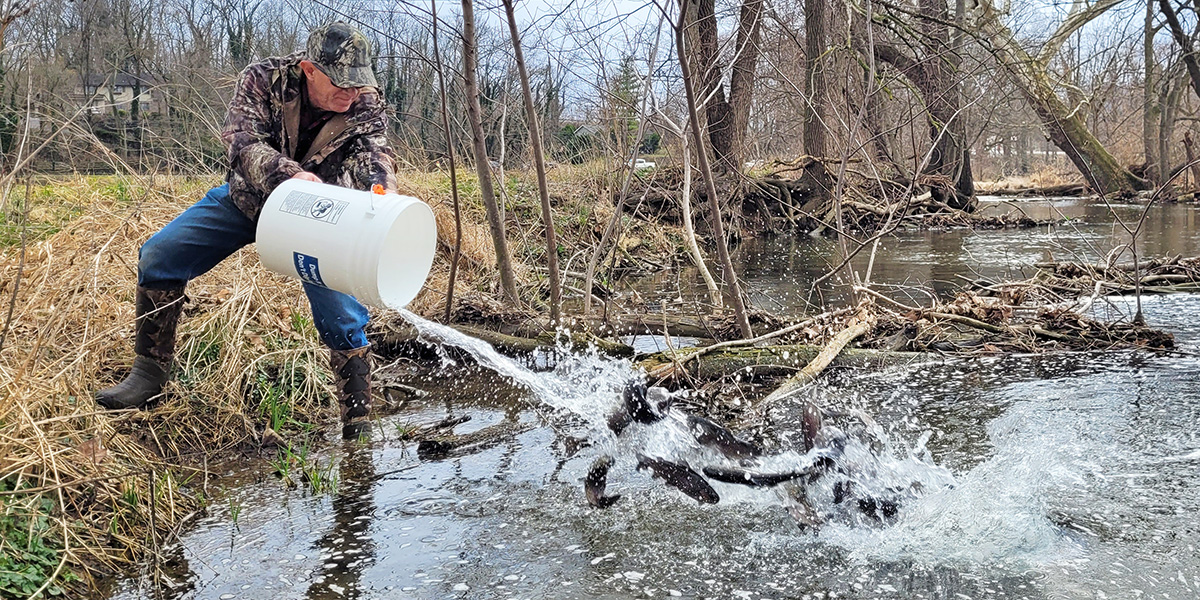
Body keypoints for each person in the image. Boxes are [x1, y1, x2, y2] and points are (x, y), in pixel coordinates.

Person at [96, 22, 396, 439]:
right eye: (340, 85)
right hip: (250, 201)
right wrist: (289, 176)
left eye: (357, 85)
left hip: (323, 220)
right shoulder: (263, 78)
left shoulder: (365, 102)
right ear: (309, 69)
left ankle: (358, 423)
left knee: (343, 315)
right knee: (160, 256)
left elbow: (374, 153)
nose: (350, 94)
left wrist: (381, 193)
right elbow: (242, 142)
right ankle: (147, 378)